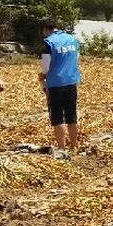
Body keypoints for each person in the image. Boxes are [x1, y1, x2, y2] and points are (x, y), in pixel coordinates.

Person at [40, 17, 82, 151]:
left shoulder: (48, 42)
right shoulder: (71, 39)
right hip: (71, 80)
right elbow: (77, 57)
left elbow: (46, 68)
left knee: (57, 117)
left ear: (45, 29)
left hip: (55, 83)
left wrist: (42, 77)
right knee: (71, 115)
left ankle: (62, 148)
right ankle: (74, 145)